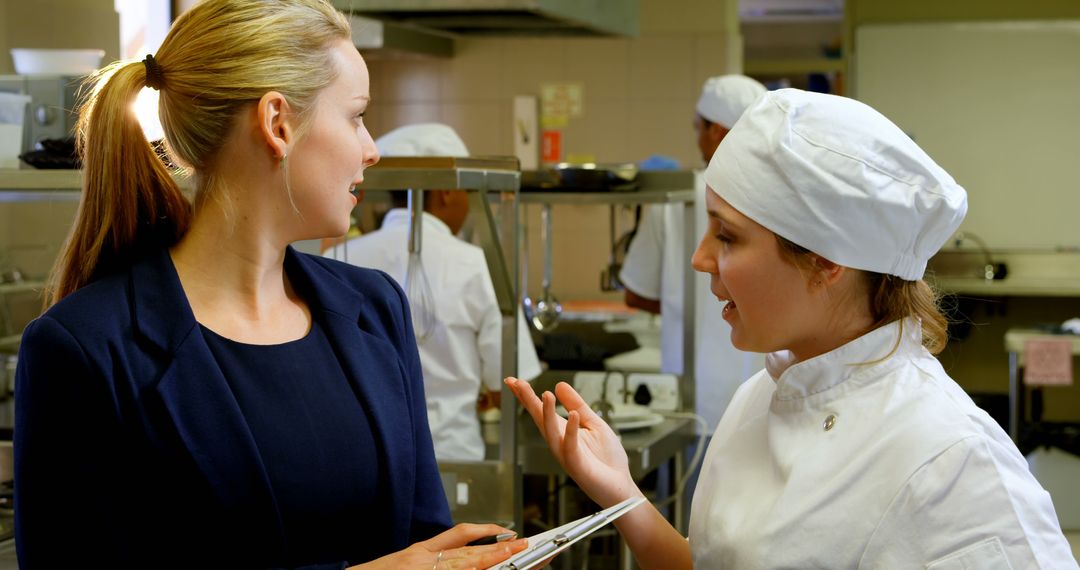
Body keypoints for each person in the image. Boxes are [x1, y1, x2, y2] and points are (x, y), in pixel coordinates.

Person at [13, 2, 526, 568]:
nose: (372, 149)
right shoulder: (82, 348)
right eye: (356, 117)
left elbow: (424, 545)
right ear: (277, 123)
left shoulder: (375, 309)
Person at [506, 88, 1079, 568]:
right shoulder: (761, 396)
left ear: (826, 261)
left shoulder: (951, 462)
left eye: (727, 236)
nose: (701, 258)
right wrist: (621, 492)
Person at [325, 123, 542, 462]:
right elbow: (512, 391)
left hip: (364, 459)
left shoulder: (339, 259)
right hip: (453, 456)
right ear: (447, 193)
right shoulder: (473, 264)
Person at [619, 75, 768, 431]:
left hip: (691, 396)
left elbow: (636, 292)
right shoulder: (774, 199)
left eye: (699, 128)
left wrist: (683, 304)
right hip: (765, 392)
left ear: (716, 130)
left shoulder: (678, 197)